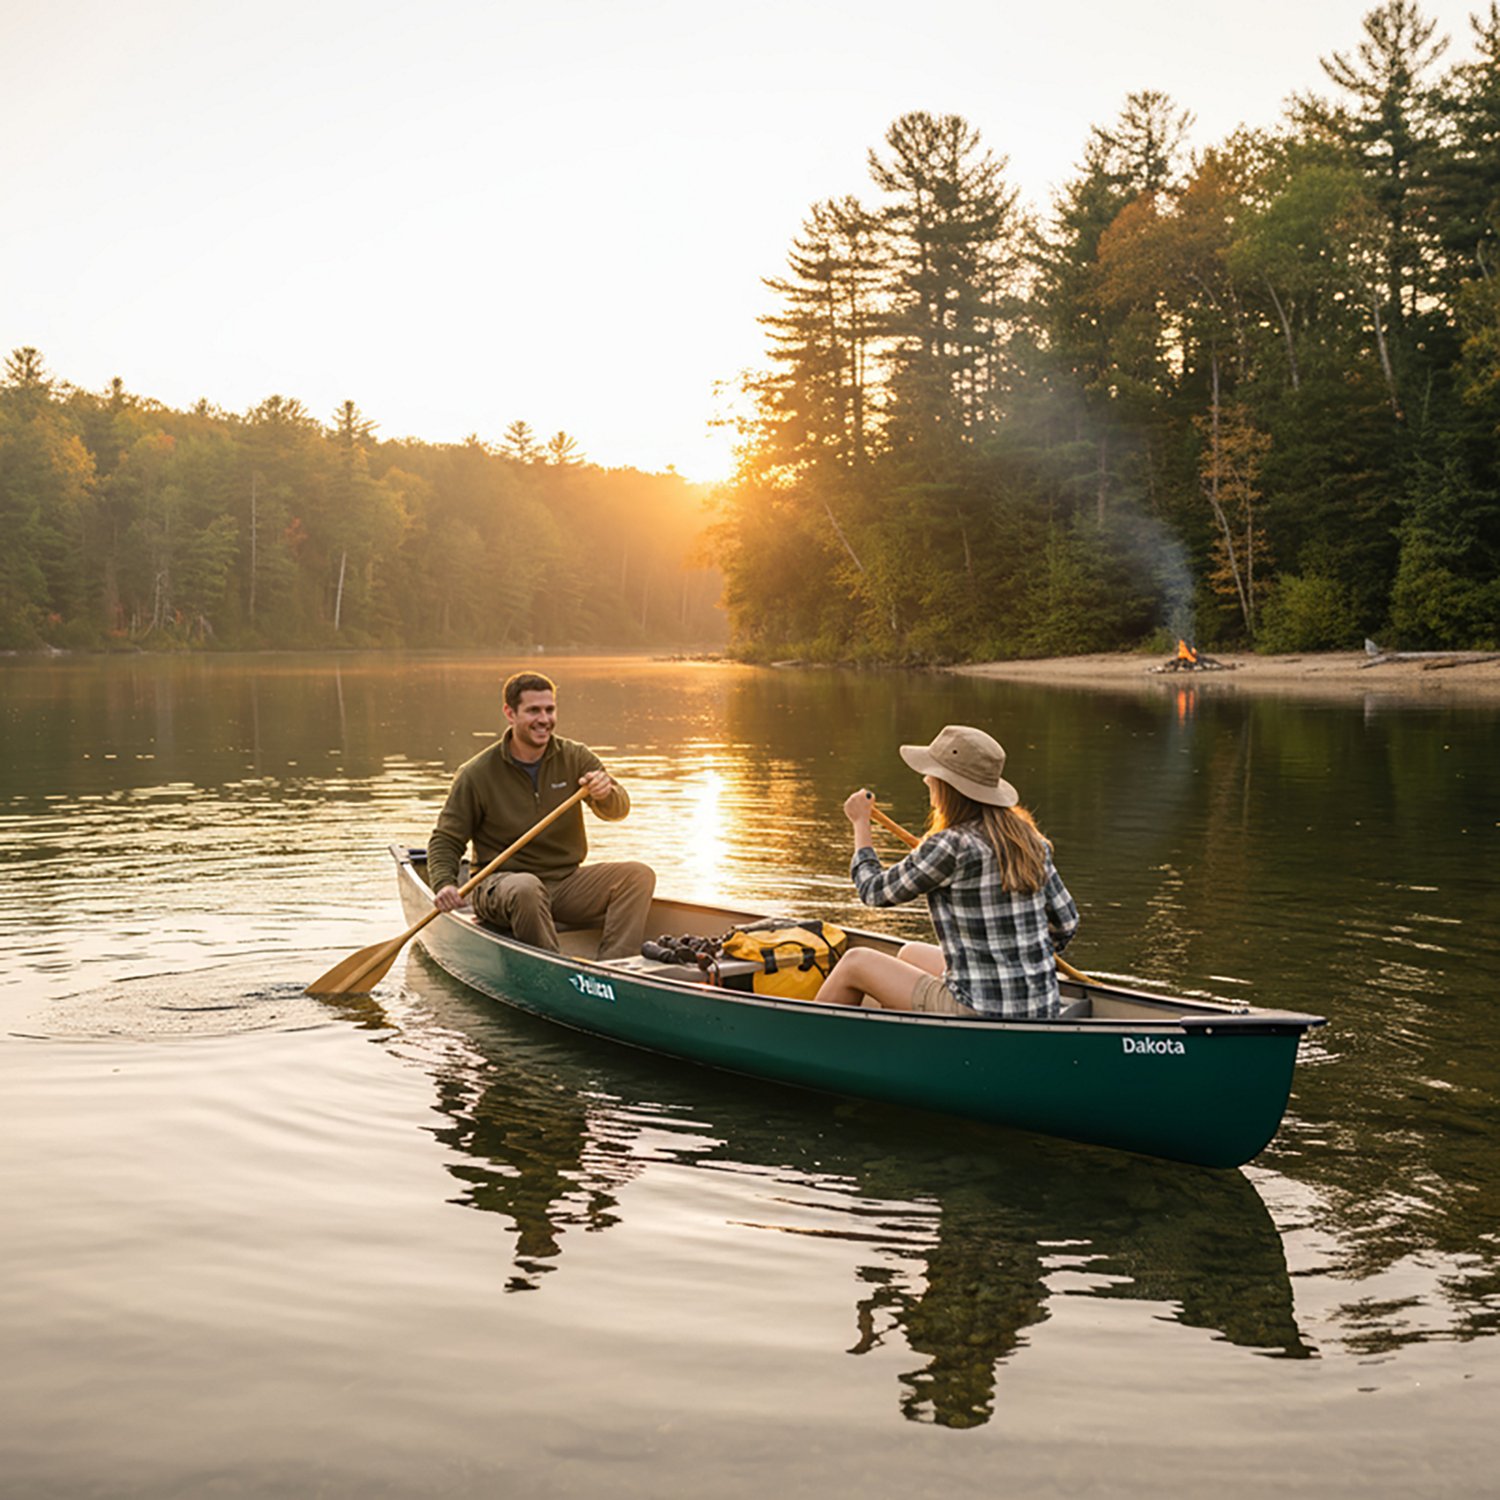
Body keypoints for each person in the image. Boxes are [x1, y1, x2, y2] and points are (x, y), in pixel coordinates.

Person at [810, 724, 1079, 1019]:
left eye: (932, 774)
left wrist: (860, 823)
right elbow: (1065, 923)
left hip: (978, 1010)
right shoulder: (1031, 840)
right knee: (909, 953)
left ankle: (803, 1043)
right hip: (1042, 1006)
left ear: (948, 787)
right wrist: (1017, 958)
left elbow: (874, 892)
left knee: (854, 962)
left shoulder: (950, 845)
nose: (926, 779)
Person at [426, 671, 655, 960]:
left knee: (637, 875)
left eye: (549, 709)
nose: (544, 719)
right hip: (500, 886)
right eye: (533, 710)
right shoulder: (477, 774)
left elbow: (619, 809)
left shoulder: (575, 757)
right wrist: (444, 884)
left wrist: (605, 793)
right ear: (510, 713)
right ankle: (553, 972)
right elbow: (446, 839)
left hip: (564, 883)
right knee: (526, 888)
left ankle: (616, 968)